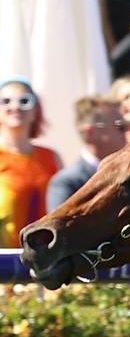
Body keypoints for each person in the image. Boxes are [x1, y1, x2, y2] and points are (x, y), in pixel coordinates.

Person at [0, 77, 61, 247]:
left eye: (24, 101)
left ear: (36, 111)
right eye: (6, 101)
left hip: (46, 257)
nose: (15, 107)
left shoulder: (51, 156)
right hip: (4, 260)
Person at [47, 97, 127, 209]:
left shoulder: (127, 173)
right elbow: (59, 225)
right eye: (120, 125)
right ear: (90, 132)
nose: (126, 130)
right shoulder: (67, 182)